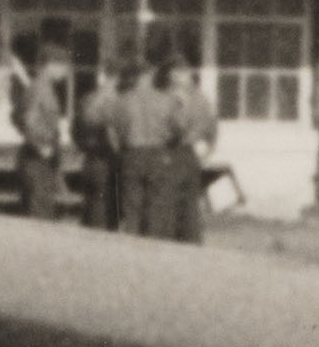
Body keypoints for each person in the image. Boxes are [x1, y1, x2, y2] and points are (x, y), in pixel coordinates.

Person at [120, 48, 221, 242]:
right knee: (189, 209)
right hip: (189, 155)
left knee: (165, 208)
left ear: (171, 74)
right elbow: (213, 129)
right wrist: (206, 153)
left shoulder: (169, 97)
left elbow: (176, 127)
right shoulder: (202, 98)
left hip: (171, 152)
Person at [8, 26, 79, 221]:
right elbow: (26, 120)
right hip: (37, 158)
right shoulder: (39, 88)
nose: (65, 71)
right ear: (51, 65)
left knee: (43, 210)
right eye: (63, 66)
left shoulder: (44, 88)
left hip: (43, 157)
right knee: (39, 214)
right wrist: (42, 146)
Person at [72, 52, 129, 231]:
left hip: (90, 159)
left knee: (91, 209)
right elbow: (113, 131)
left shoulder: (89, 98)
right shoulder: (117, 99)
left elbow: (75, 130)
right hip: (108, 159)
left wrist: (84, 147)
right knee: (105, 212)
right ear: (121, 76)